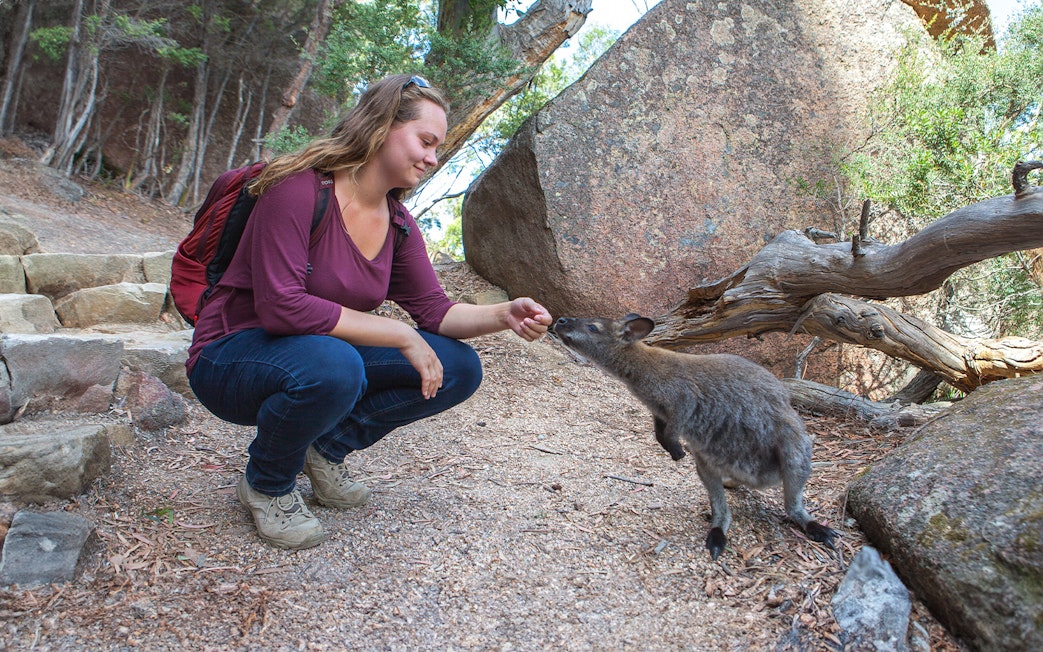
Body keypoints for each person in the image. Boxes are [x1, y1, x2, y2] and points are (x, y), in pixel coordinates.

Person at [186, 73, 552, 550]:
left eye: (437, 147)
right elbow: (281, 307)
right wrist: (400, 334)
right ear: (382, 126)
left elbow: (435, 311)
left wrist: (503, 314)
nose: (433, 158)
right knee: (336, 364)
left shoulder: (398, 224)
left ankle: (325, 449)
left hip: (315, 355)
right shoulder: (298, 188)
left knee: (459, 366)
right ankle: (267, 483)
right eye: (425, 141)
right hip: (230, 356)